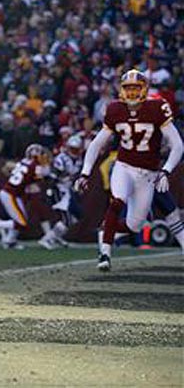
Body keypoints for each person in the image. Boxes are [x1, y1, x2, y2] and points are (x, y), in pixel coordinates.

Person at [74, 70, 183, 271]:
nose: (131, 93)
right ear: (121, 90)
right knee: (117, 201)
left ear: (145, 89)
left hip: (148, 174)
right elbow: (97, 143)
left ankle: (105, 231)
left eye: (135, 88)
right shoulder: (115, 109)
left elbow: (177, 145)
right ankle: (105, 254)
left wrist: (166, 171)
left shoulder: (157, 107)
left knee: (134, 225)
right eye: (128, 89)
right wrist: (85, 172)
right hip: (124, 167)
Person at [0, 144, 52, 249]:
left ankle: (9, 241)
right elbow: (40, 180)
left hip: (13, 193)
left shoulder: (23, 162)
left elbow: (8, 169)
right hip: (10, 194)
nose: (42, 157)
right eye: (40, 154)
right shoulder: (35, 166)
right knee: (21, 223)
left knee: (22, 218)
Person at [38, 135, 84, 249]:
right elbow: (53, 177)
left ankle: (56, 236)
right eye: (72, 148)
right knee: (66, 219)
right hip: (59, 190)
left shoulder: (79, 160)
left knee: (77, 215)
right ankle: (47, 239)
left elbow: (76, 176)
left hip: (68, 190)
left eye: (76, 149)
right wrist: (50, 191)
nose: (74, 151)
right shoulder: (61, 158)